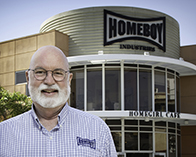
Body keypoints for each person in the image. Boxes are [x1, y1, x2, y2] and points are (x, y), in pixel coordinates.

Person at [0, 45, 117, 157]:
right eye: (40, 72)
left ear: (69, 79)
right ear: (28, 78)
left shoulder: (98, 129)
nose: (49, 81)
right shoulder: (3, 133)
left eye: (58, 73)